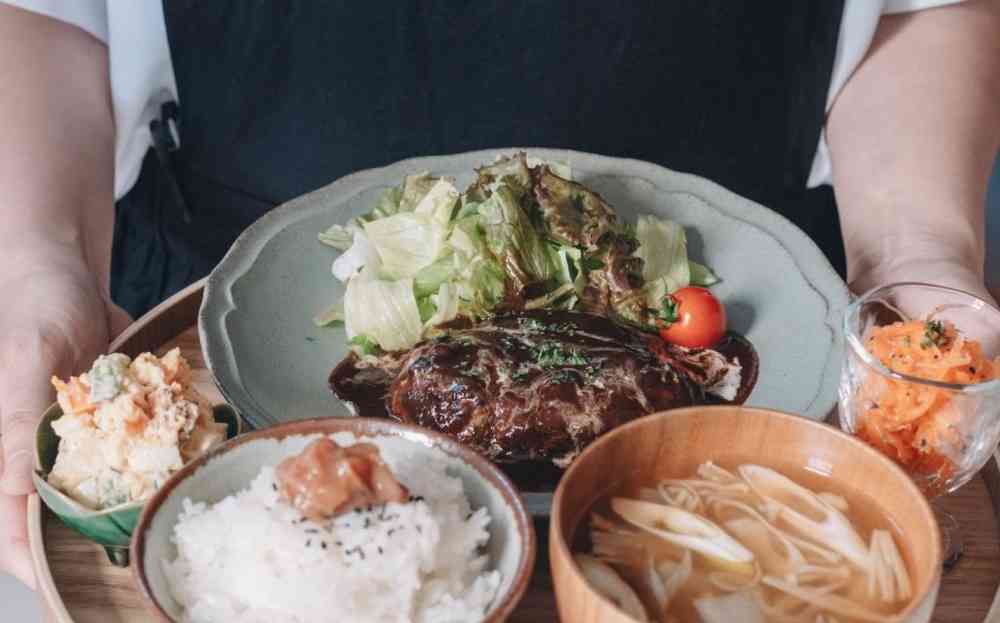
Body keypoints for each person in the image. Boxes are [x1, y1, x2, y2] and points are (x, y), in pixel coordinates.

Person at [2, 1, 998, 588]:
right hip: (228, 328)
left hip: (761, 321)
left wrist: (915, 254)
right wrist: (37, 269)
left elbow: (923, 6)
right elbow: (45, 15)